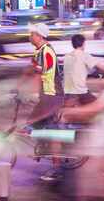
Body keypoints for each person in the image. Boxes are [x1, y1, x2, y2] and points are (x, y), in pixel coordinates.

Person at [26, 23, 64, 181]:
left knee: (45, 129)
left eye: (32, 34)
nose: (30, 36)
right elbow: (29, 72)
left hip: (51, 95)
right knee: (33, 124)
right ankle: (41, 146)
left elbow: (39, 74)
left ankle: (57, 168)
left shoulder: (46, 51)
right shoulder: (38, 52)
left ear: (39, 36)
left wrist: (33, 93)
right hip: (46, 95)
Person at [63, 34, 104, 107]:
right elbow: (101, 67)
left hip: (67, 90)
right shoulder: (84, 55)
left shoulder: (67, 56)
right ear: (83, 43)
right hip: (79, 90)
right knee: (99, 106)